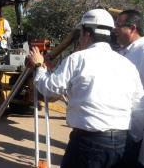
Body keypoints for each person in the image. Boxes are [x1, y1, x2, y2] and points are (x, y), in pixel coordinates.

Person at [28, 9, 144, 168]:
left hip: (88, 144)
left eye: (80, 33)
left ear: (87, 34)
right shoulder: (127, 64)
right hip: (123, 143)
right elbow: (139, 108)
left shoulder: (76, 59)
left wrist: (39, 66)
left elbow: (50, 89)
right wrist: (130, 140)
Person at [113, 9, 144, 167]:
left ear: (132, 28)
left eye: (118, 25)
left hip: (133, 133)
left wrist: (134, 134)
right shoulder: (126, 52)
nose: (115, 29)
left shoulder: (142, 52)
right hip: (122, 130)